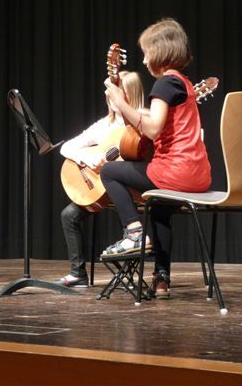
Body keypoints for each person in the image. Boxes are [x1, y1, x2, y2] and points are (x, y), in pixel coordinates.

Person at [100, 18, 211, 299]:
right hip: (199, 176)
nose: (144, 59)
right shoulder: (184, 83)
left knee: (110, 172)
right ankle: (162, 278)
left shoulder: (165, 84)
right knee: (160, 211)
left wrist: (119, 101)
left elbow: (151, 128)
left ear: (160, 51)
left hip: (175, 172)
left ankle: (134, 233)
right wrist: (124, 104)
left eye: (147, 52)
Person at [56, 71, 145, 287]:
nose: (110, 95)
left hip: (133, 190)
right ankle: (78, 274)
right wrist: (89, 158)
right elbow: (66, 147)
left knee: (127, 210)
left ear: (131, 94)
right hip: (102, 189)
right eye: (110, 91)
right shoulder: (105, 125)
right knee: (69, 215)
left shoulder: (144, 123)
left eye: (118, 91)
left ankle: (130, 275)